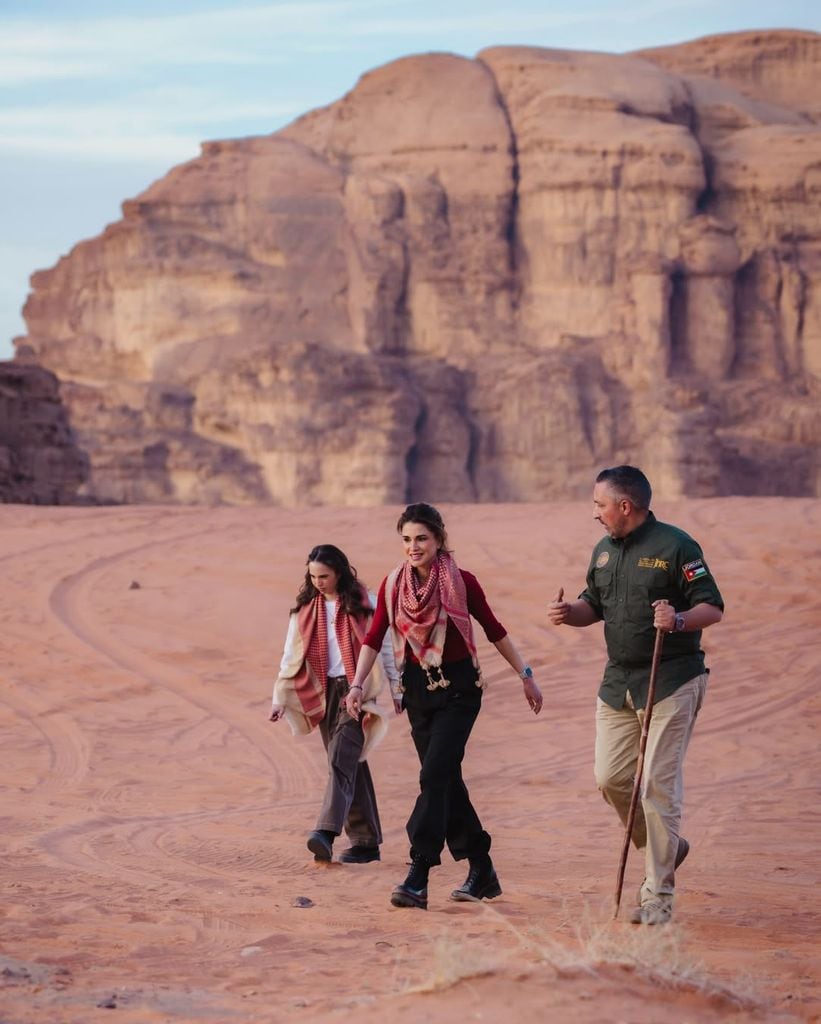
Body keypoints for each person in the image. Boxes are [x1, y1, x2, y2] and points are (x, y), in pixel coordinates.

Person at [548, 466, 723, 925]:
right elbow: (595, 605)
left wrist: (679, 621)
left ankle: (657, 898)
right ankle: (668, 848)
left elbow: (712, 606)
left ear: (624, 506)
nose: (595, 514)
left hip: (671, 681)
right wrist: (571, 613)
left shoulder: (677, 546)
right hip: (618, 686)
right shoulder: (604, 551)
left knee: (656, 789)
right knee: (610, 780)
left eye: (599, 505)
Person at [345, 502, 543, 910]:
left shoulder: (461, 582)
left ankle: (419, 873)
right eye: (406, 540)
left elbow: (494, 630)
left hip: (459, 690)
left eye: (421, 538)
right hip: (418, 691)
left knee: (434, 775)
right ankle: (482, 868)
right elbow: (374, 636)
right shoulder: (392, 585)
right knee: (445, 780)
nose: (413, 547)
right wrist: (356, 684)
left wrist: (526, 674)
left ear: (438, 540)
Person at [270, 544, 401, 865]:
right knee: (350, 762)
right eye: (313, 576)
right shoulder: (304, 610)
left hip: (357, 691)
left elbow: (383, 647)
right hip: (321, 691)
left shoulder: (364, 602)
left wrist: (397, 689)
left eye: (324, 576)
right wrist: (279, 697)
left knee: (341, 760)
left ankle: (325, 833)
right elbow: (291, 656)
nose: (319, 582)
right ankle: (366, 842)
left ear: (339, 572)